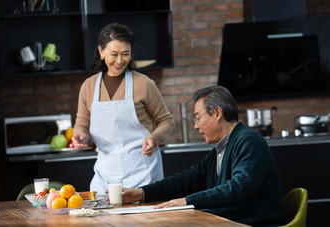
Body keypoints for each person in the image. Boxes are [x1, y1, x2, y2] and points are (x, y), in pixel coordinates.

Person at [121, 85, 284, 227]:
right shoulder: (219, 150)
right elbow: (186, 180)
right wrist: (141, 193)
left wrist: (187, 201)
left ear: (217, 113)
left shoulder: (249, 140)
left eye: (198, 118)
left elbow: (239, 188)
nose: (196, 126)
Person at [72, 23, 174, 195]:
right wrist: (80, 135)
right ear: (101, 51)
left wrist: (154, 138)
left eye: (125, 54)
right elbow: (82, 123)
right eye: (114, 54)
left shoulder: (144, 84)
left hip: (143, 174)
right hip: (104, 176)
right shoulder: (88, 86)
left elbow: (166, 121)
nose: (120, 61)